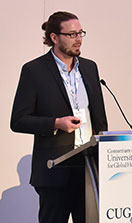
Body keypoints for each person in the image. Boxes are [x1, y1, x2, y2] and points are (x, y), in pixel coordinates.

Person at [10, 11, 107, 223]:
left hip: (89, 170)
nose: (79, 39)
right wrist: (55, 123)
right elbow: (18, 120)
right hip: (55, 172)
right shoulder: (34, 71)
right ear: (54, 37)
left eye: (81, 33)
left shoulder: (90, 68)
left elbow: (99, 119)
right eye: (72, 34)